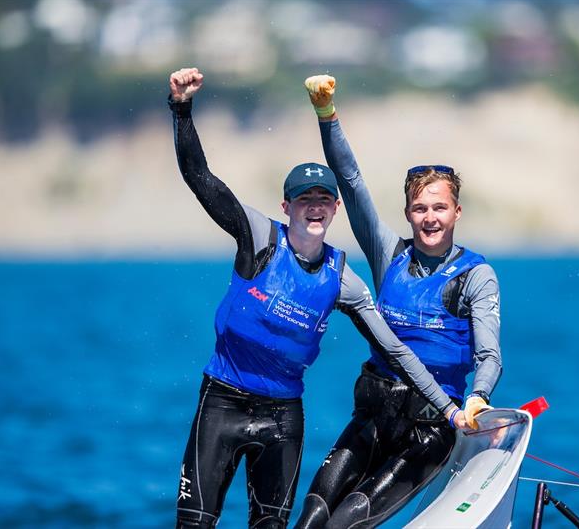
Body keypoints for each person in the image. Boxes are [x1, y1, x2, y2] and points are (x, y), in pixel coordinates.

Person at [168, 68, 467, 529]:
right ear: (287, 206)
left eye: (323, 199)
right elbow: (198, 176)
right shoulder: (259, 237)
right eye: (303, 198)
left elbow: (394, 347)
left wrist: (449, 410)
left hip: (283, 418)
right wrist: (182, 109)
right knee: (194, 524)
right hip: (222, 404)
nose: (314, 206)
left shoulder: (343, 279)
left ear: (334, 209)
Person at [294, 75, 503, 528]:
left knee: (348, 519)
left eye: (439, 208)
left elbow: (490, 355)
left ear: (457, 212)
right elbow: (350, 183)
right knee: (312, 516)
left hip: (428, 432)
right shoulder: (389, 252)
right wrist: (327, 116)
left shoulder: (475, 276)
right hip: (372, 417)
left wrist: (480, 397)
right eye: (420, 209)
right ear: (408, 213)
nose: (430, 218)